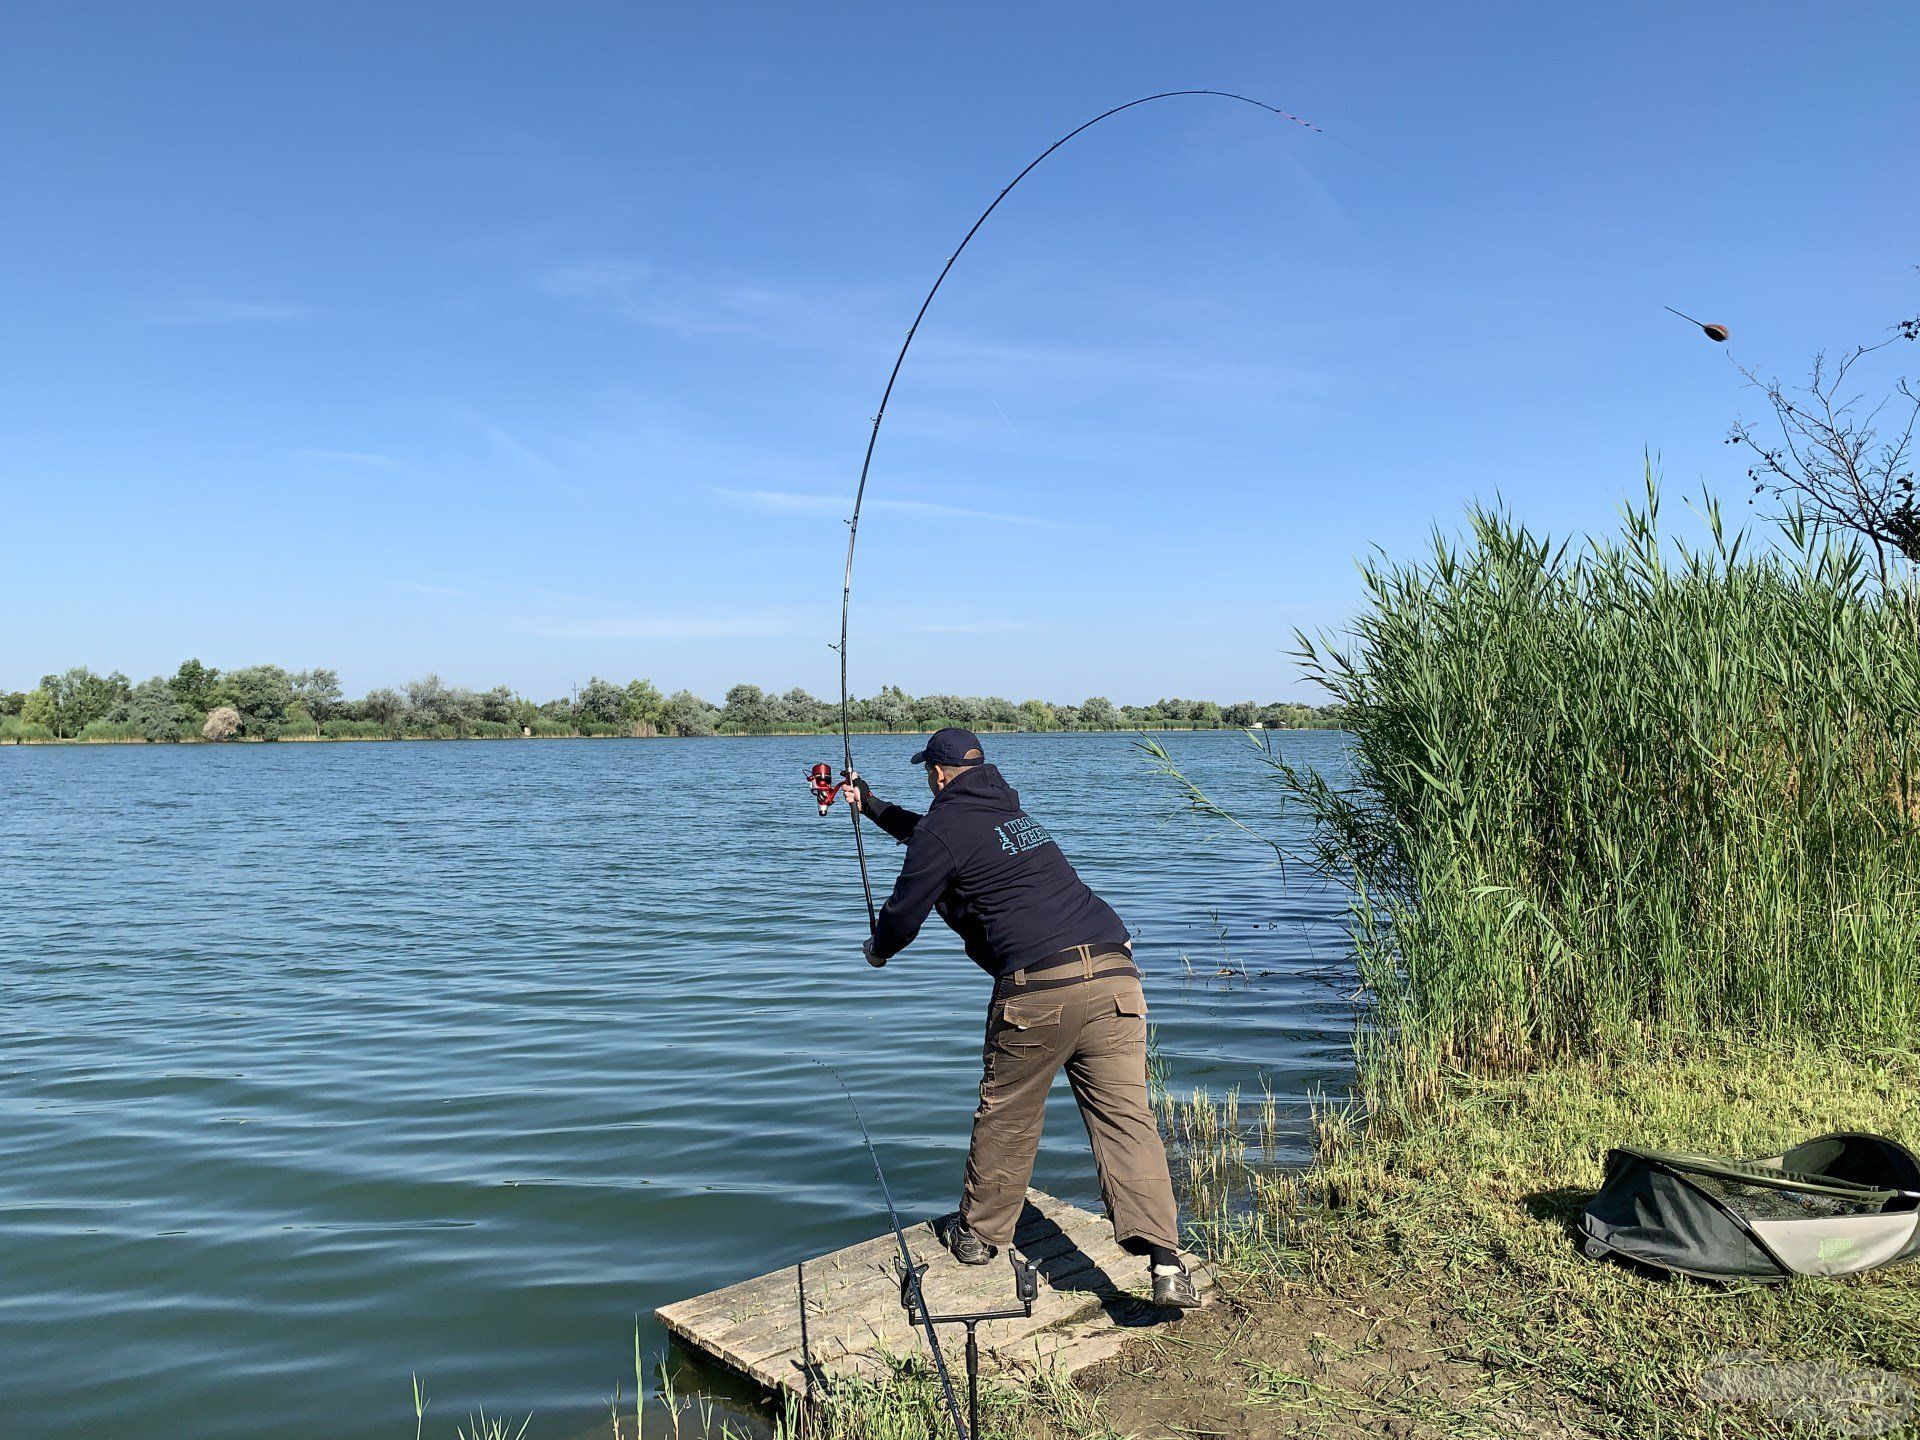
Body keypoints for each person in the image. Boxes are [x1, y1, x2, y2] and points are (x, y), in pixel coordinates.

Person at [842, 726, 1200, 1310]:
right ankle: (1165, 1263)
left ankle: (981, 1237)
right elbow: (932, 841)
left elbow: (907, 909)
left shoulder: (945, 827)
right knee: (1127, 1119)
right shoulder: (1010, 814)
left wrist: (878, 947)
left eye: (928, 773)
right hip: (1115, 973)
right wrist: (873, 804)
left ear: (937, 773)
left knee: (1008, 1112)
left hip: (1041, 988)